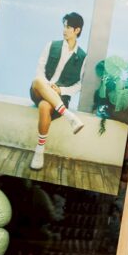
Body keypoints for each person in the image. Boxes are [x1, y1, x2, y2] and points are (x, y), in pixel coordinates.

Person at [28, 12, 88, 170]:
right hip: (40, 90)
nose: (64, 30)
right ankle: (69, 116)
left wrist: (61, 90)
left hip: (60, 98)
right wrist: (48, 86)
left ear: (77, 30)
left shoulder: (82, 57)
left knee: (44, 106)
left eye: (68, 27)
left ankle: (39, 151)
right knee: (37, 81)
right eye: (64, 26)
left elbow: (79, 84)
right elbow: (39, 70)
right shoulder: (51, 45)